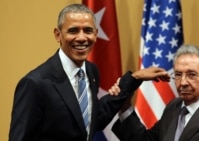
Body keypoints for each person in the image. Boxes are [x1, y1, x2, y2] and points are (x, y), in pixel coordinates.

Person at [8, 3, 170, 141]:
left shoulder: (91, 71)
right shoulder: (35, 83)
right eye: (73, 31)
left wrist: (134, 78)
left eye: (87, 30)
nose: (81, 38)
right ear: (58, 35)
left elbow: (93, 119)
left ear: (96, 34)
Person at [109, 44, 199, 141]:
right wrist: (125, 106)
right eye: (178, 75)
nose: (183, 82)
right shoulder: (174, 106)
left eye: (192, 74)